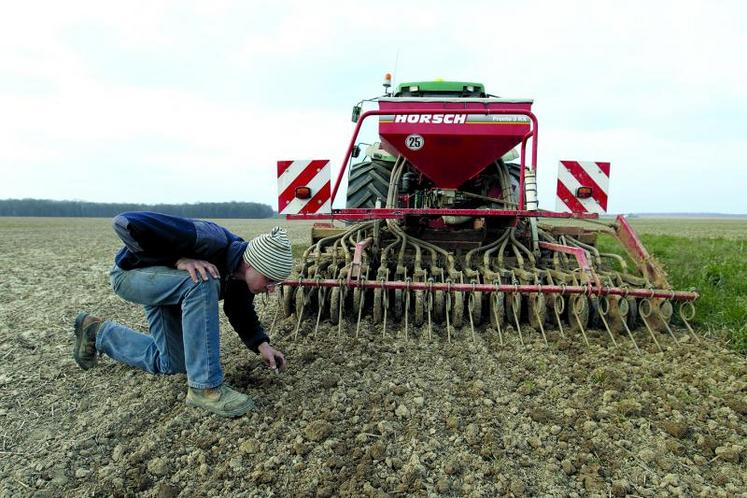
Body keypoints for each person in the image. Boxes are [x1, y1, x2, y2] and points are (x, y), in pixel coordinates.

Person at [72, 211, 293, 417]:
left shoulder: (240, 276)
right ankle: (205, 388)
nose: (271, 289)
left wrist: (262, 345)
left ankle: (97, 332)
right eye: (270, 280)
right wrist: (177, 259)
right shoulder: (210, 238)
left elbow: (239, 310)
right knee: (203, 279)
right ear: (252, 264)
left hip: (171, 288)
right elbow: (124, 222)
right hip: (132, 274)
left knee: (175, 363)